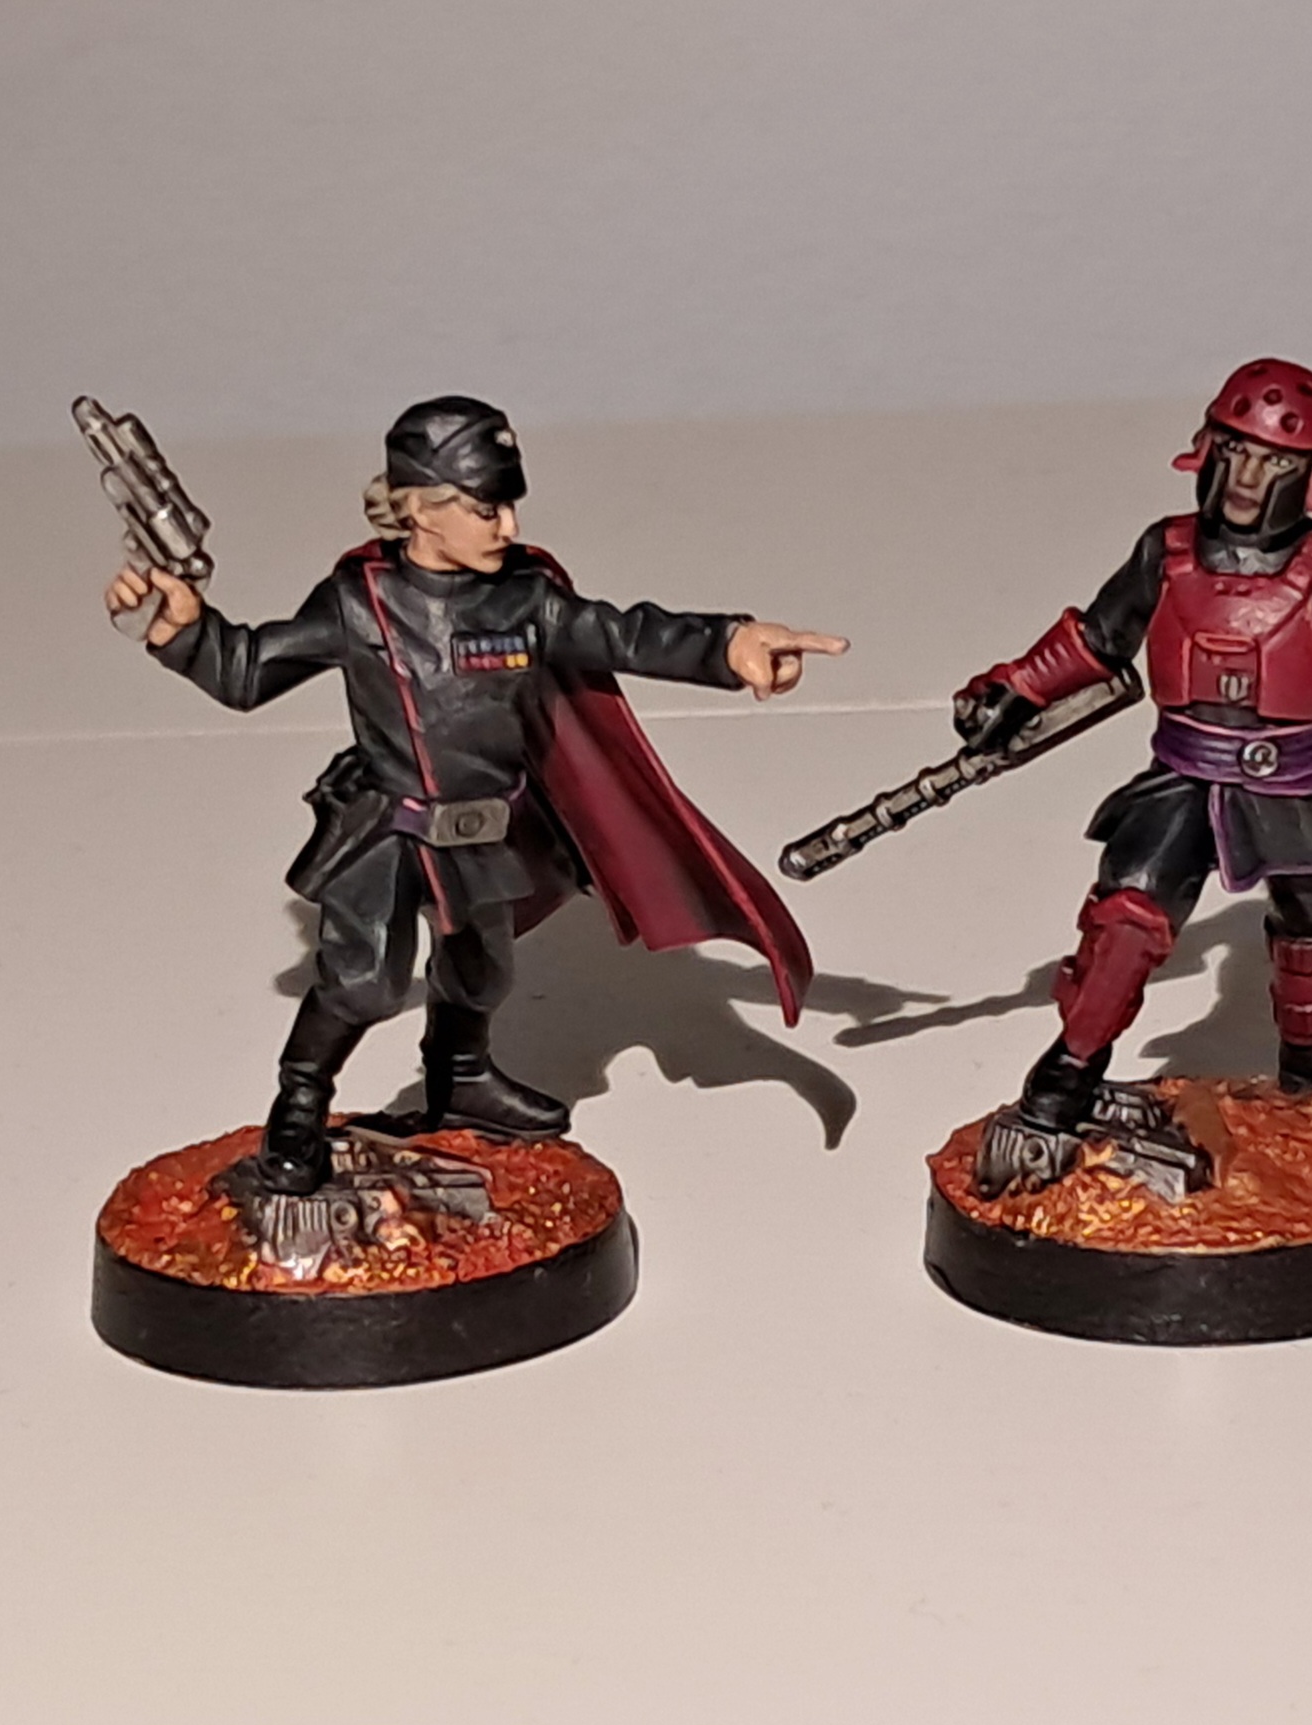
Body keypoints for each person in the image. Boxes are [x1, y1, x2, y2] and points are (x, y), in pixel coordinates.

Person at [106, 395, 846, 1194]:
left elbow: (623, 632)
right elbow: (247, 672)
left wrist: (729, 643)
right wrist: (183, 631)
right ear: (420, 510)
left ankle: (459, 1076)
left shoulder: (526, 596)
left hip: (485, 830)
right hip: (386, 834)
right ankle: (299, 1103)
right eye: (485, 508)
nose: (508, 525)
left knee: (481, 971)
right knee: (362, 981)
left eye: (508, 506)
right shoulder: (362, 599)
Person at [951, 359, 1312, 1131]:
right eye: (1237, 451)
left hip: (1294, 779)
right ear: (1207, 449)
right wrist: (1018, 685)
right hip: (1182, 773)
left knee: (1311, 917)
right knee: (1129, 912)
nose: (1248, 478)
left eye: (1273, 462)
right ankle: (1070, 1067)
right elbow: (1098, 637)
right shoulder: (1166, 551)